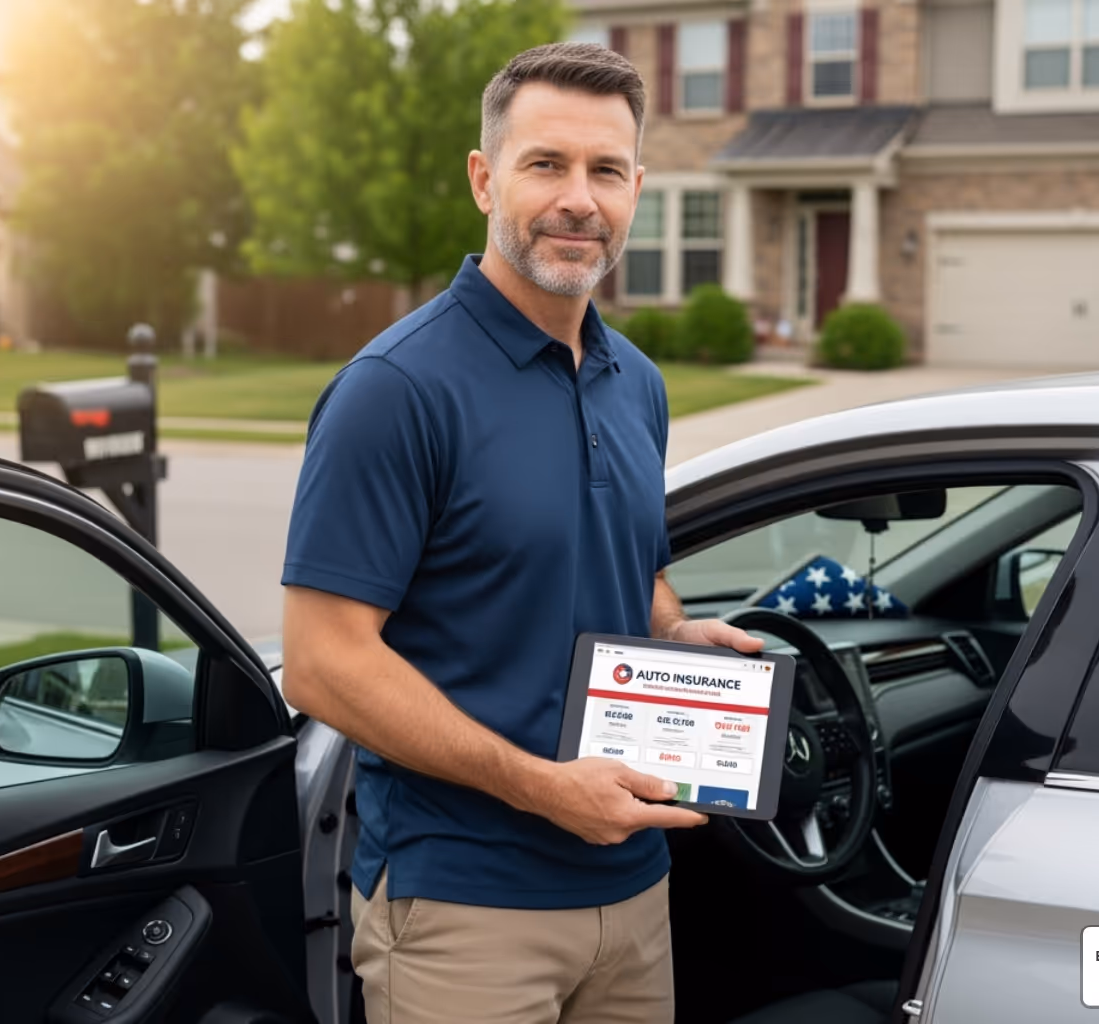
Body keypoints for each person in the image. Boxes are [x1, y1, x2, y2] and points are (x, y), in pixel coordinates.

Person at [280, 42, 764, 1024]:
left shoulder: (637, 380)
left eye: (607, 171)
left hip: (633, 890)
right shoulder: (397, 390)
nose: (578, 199)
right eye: (546, 164)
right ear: (484, 177)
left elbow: (628, 558)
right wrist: (543, 788)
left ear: (637, 189)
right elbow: (323, 665)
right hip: (464, 908)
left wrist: (672, 633)